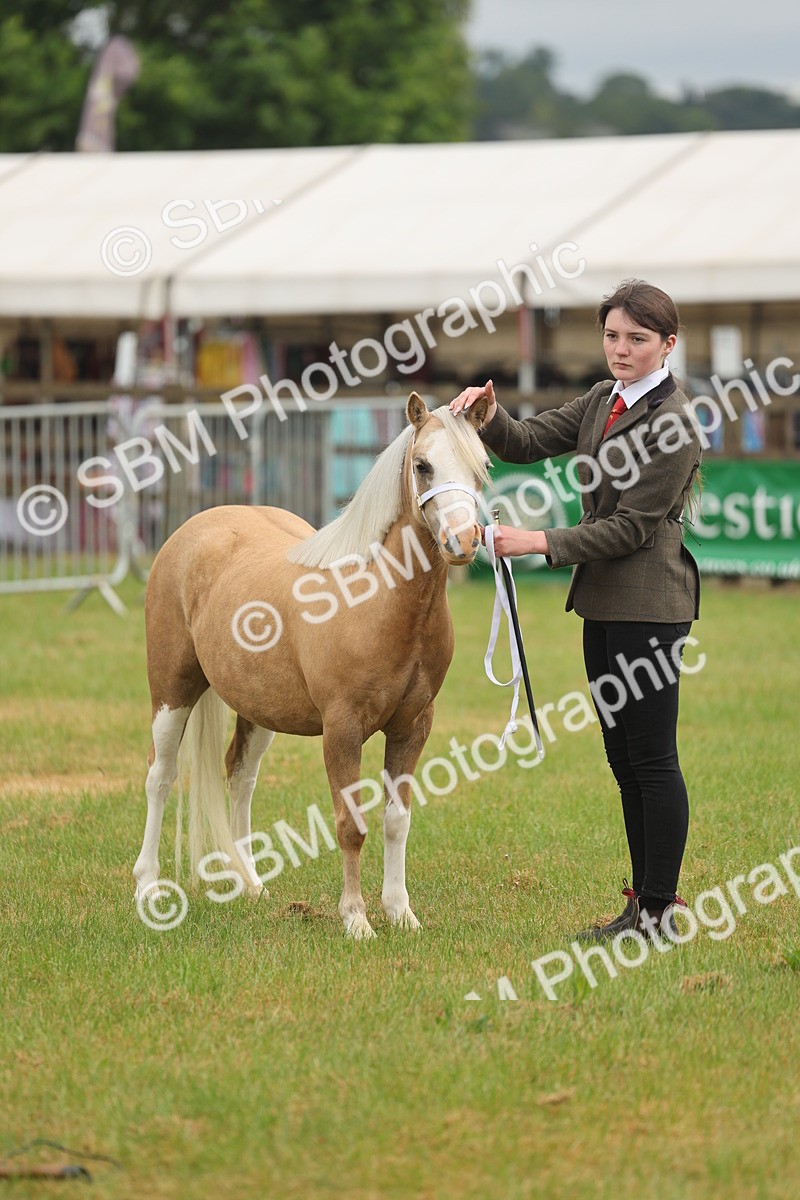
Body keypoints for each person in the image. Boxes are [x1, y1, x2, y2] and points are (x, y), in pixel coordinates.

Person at [449, 279, 702, 941]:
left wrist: (538, 541)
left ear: (667, 344)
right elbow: (528, 440)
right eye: (613, 335)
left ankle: (659, 912)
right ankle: (643, 907)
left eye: (637, 339)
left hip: (652, 606)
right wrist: (488, 415)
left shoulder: (675, 424)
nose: (621, 349)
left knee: (652, 759)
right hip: (603, 604)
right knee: (622, 758)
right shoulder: (602, 399)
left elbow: (629, 529)